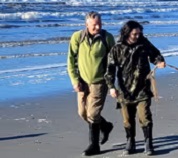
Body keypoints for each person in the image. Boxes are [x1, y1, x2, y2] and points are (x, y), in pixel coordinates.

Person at [105, 20, 166, 155]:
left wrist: (159, 61)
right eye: (135, 34)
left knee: (145, 116)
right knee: (127, 119)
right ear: (127, 33)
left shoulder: (144, 44)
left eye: (139, 33)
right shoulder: (117, 48)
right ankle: (130, 141)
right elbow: (110, 69)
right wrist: (111, 87)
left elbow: (155, 54)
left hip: (142, 88)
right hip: (124, 90)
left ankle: (148, 143)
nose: (138, 36)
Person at [67, 11, 116, 156]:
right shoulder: (77, 37)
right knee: (82, 113)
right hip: (82, 82)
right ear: (86, 24)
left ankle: (94, 146)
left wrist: (111, 83)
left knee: (93, 114)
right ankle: (105, 126)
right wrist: (75, 80)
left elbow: (113, 62)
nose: (98, 27)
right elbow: (70, 60)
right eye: (94, 25)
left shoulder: (107, 38)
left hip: (99, 82)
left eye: (100, 24)